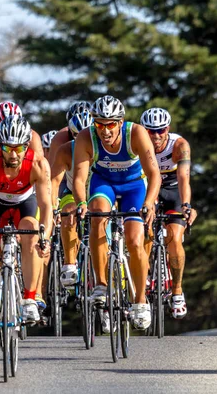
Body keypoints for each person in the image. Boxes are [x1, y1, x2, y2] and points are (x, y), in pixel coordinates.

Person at [73, 95, 161, 331]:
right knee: (98, 216)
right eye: (99, 123)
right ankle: (101, 284)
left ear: (120, 122)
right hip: (104, 183)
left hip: (134, 186)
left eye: (110, 124)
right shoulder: (86, 137)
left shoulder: (137, 133)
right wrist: (81, 202)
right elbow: (80, 178)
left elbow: (154, 174)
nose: (104, 130)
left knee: (134, 240)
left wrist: (150, 202)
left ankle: (140, 301)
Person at [0, 114, 53, 347]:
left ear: (27, 145)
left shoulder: (38, 164)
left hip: (25, 204)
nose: (13, 155)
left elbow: (46, 206)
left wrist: (46, 237)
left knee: (33, 229)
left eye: (19, 148)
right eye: (7, 148)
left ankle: (30, 298)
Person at [140, 107, 197, 319]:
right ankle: (144, 276)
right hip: (148, 188)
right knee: (143, 230)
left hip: (173, 189)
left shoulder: (179, 145)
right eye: (150, 131)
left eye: (160, 130)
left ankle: (178, 291)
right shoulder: (138, 143)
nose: (155, 136)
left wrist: (186, 205)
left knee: (174, 239)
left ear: (168, 129)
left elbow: (184, 177)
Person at [50, 110, 93, 288]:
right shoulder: (66, 150)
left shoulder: (105, 148)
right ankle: (69, 263)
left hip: (98, 191)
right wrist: (53, 207)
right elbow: (53, 181)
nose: (82, 140)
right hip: (72, 191)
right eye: (77, 136)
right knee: (68, 214)